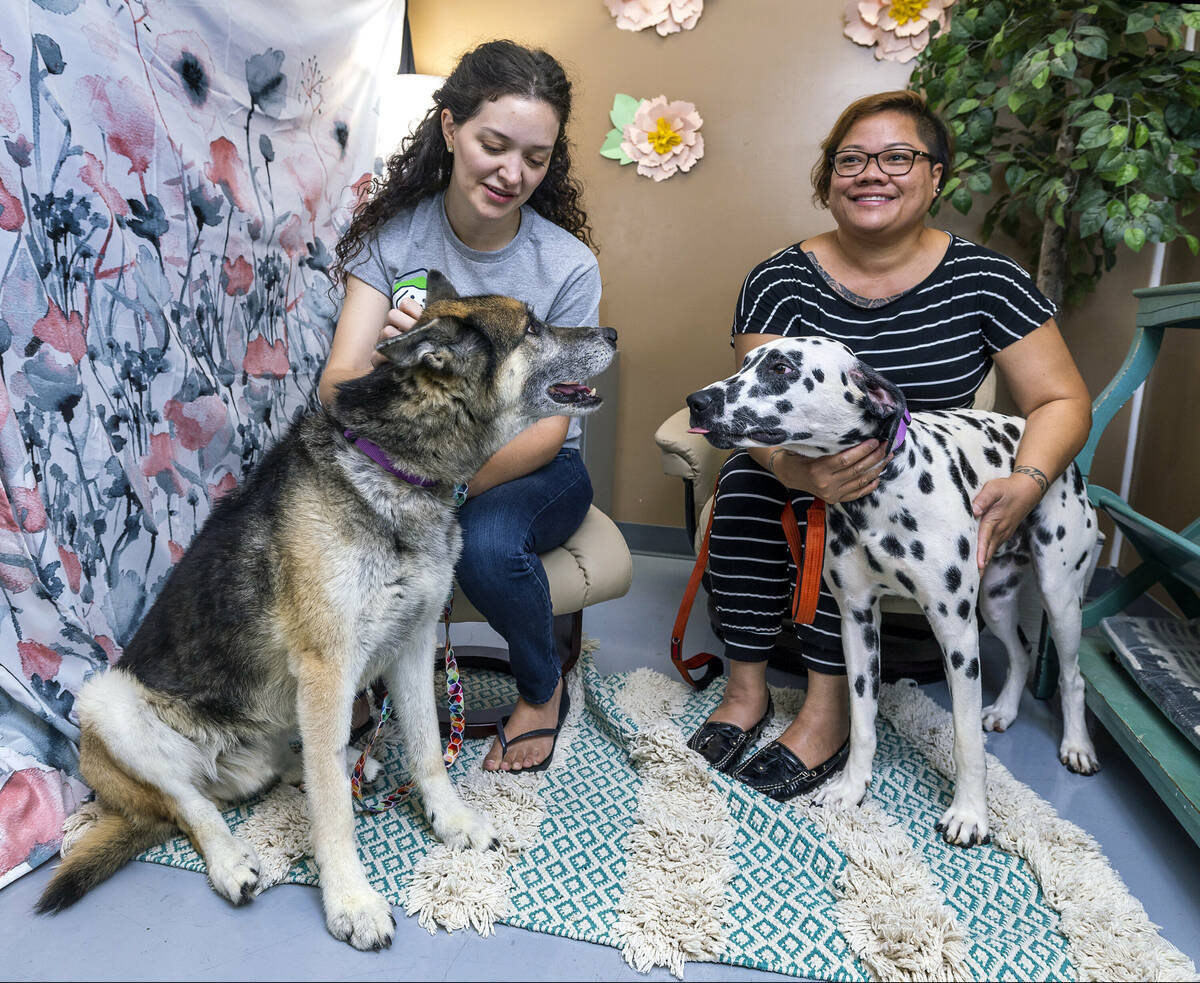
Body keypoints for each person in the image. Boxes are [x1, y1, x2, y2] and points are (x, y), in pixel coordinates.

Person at [686, 90, 1092, 800]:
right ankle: (746, 689)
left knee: (853, 512)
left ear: (936, 176)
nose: (872, 172)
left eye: (898, 156)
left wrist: (1028, 479)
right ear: (828, 179)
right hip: (803, 465)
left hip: (930, 481)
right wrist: (803, 474)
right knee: (753, 486)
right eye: (851, 159)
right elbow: (757, 412)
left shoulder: (988, 280)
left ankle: (825, 708)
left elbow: (1060, 399)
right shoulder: (777, 279)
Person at [322, 40, 601, 773]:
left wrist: (446, 488)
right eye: (494, 144)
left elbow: (548, 428)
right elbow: (338, 383)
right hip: (414, 464)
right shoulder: (396, 240)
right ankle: (353, 683)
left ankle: (543, 691)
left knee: (482, 542)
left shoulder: (566, 265)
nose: (513, 173)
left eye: (535, 158)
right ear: (450, 128)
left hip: (529, 467)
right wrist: (394, 364)